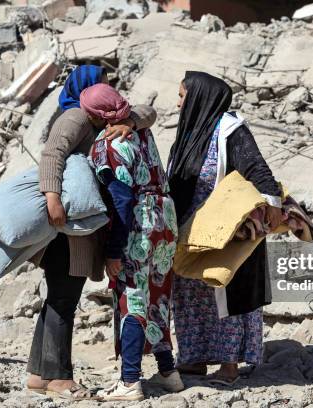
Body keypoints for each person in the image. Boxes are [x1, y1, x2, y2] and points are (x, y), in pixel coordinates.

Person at [25, 68, 157, 400]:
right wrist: (52, 195)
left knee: (59, 295)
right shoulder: (75, 117)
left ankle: (39, 374)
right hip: (68, 226)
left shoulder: (100, 115)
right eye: (98, 82)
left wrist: (130, 123)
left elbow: (145, 112)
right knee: (64, 297)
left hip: (78, 225)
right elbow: (52, 153)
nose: (105, 87)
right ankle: (59, 378)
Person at [169, 71, 283, 385]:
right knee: (190, 294)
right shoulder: (190, 132)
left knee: (226, 295)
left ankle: (230, 365)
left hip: (227, 232)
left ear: (199, 98)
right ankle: (194, 359)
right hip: (191, 233)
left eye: (182, 96)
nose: (178, 104)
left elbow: (256, 168)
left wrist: (273, 205)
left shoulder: (231, 131)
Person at [78, 83, 183, 402]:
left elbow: (121, 199)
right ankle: (169, 372)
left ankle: (130, 381)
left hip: (137, 225)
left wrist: (112, 251)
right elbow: (147, 114)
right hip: (165, 220)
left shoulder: (105, 145)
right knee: (159, 295)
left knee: (132, 299)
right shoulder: (140, 130)